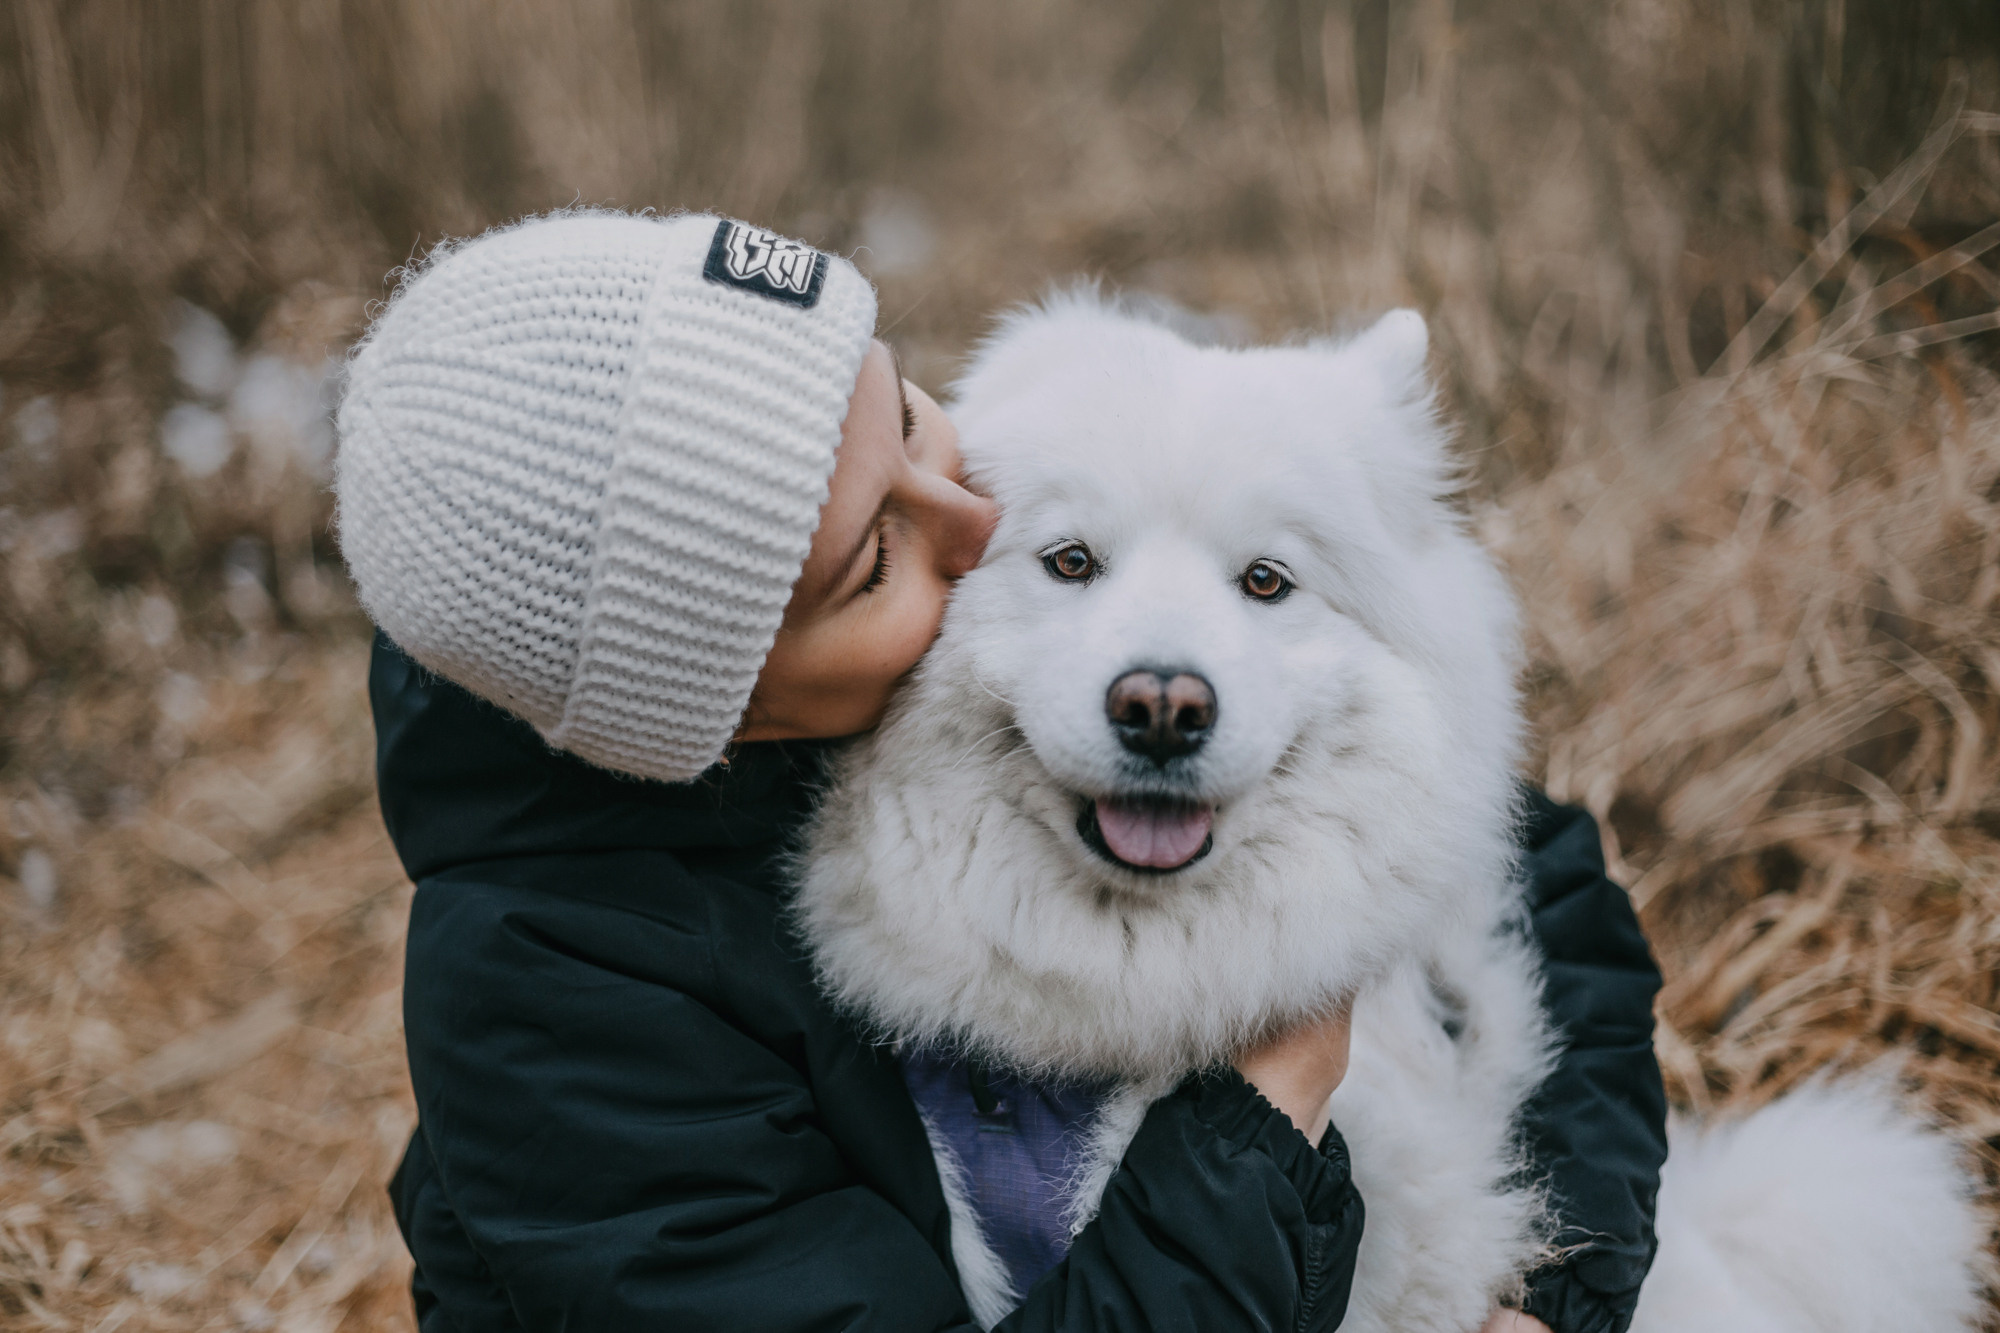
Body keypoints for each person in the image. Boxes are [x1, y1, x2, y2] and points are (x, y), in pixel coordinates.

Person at [336, 210, 1667, 1333]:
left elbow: (1523, 870)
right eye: (879, 554)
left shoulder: (911, 605)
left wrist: (1557, 1293)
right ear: (716, 700)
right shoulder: (560, 1009)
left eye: (913, 416)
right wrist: (1266, 1101)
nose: (978, 517)